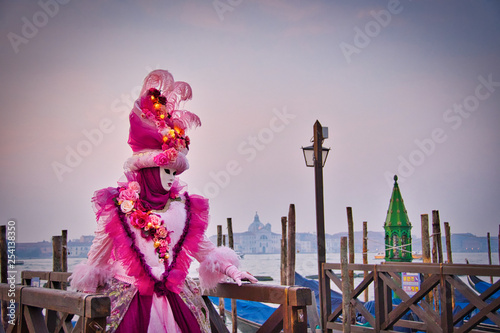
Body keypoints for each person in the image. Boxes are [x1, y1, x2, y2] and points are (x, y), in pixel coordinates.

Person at [69, 69, 258, 332]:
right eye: (164, 171)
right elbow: (97, 260)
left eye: (174, 172)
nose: (170, 178)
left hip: (175, 299)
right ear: (148, 171)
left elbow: (202, 249)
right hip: (129, 302)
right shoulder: (119, 208)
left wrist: (232, 270)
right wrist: (88, 303)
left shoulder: (182, 209)